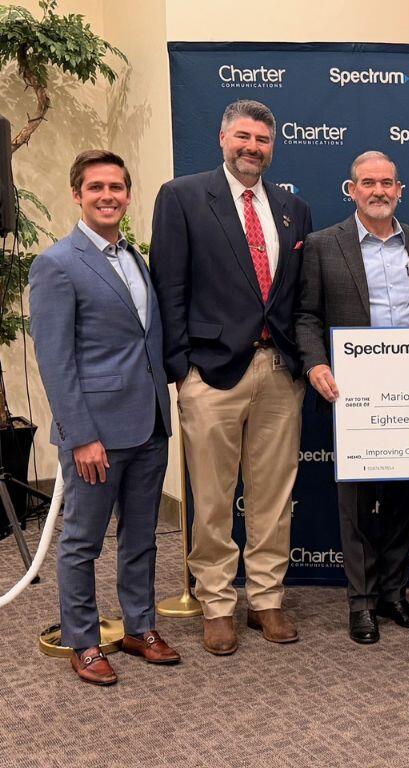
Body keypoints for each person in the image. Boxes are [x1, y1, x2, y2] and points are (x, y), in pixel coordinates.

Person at [150, 99, 313, 655]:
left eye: (262, 139)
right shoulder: (182, 197)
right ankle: (217, 603)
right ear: (222, 139)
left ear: (272, 147)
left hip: (279, 370)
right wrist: (181, 370)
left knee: (273, 495)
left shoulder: (293, 208)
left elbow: (297, 295)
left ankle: (266, 598)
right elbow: (168, 287)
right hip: (210, 371)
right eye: (243, 136)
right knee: (213, 498)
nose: (252, 147)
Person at [29, 150, 178, 684]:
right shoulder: (56, 264)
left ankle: (140, 627)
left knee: (141, 537)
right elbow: (55, 361)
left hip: (149, 425)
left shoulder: (134, 256)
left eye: (116, 187)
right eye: (96, 188)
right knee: (82, 542)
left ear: (128, 195)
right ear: (77, 195)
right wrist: (80, 436)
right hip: (96, 434)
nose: (107, 196)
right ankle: (83, 641)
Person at [295, 151, 409, 644]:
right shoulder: (322, 244)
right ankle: (361, 602)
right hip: (353, 392)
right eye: (368, 183)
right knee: (355, 502)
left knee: (403, 497)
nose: (379, 191)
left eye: (387, 183)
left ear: (400, 190)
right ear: (351, 189)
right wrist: (315, 363)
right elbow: (306, 315)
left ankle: (394, 593)